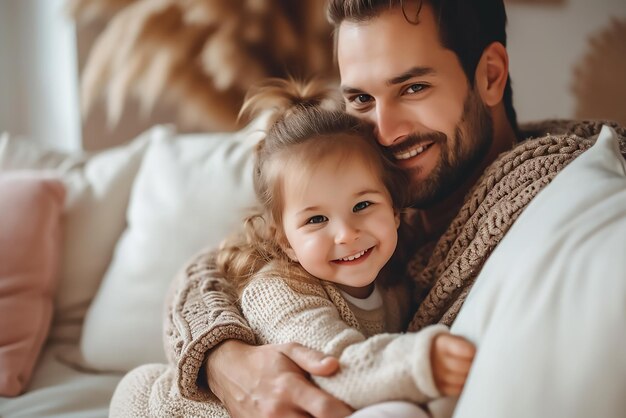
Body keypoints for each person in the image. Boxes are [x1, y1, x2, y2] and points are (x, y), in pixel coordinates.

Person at [110, 1, 625, 417]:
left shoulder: (559, 177)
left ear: (489, 75)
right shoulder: (359, 178)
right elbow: (223, 262)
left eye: (413, 87)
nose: (384, 130)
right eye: (360, 98)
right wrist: (223, 358)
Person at [212, 77, 475, 417]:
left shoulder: (396, 284)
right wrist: (421, 361)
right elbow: (333, 367)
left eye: (363, 206)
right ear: (285, 241)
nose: (346, 234)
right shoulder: (278, 291)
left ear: (395, 210)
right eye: (316, 220)